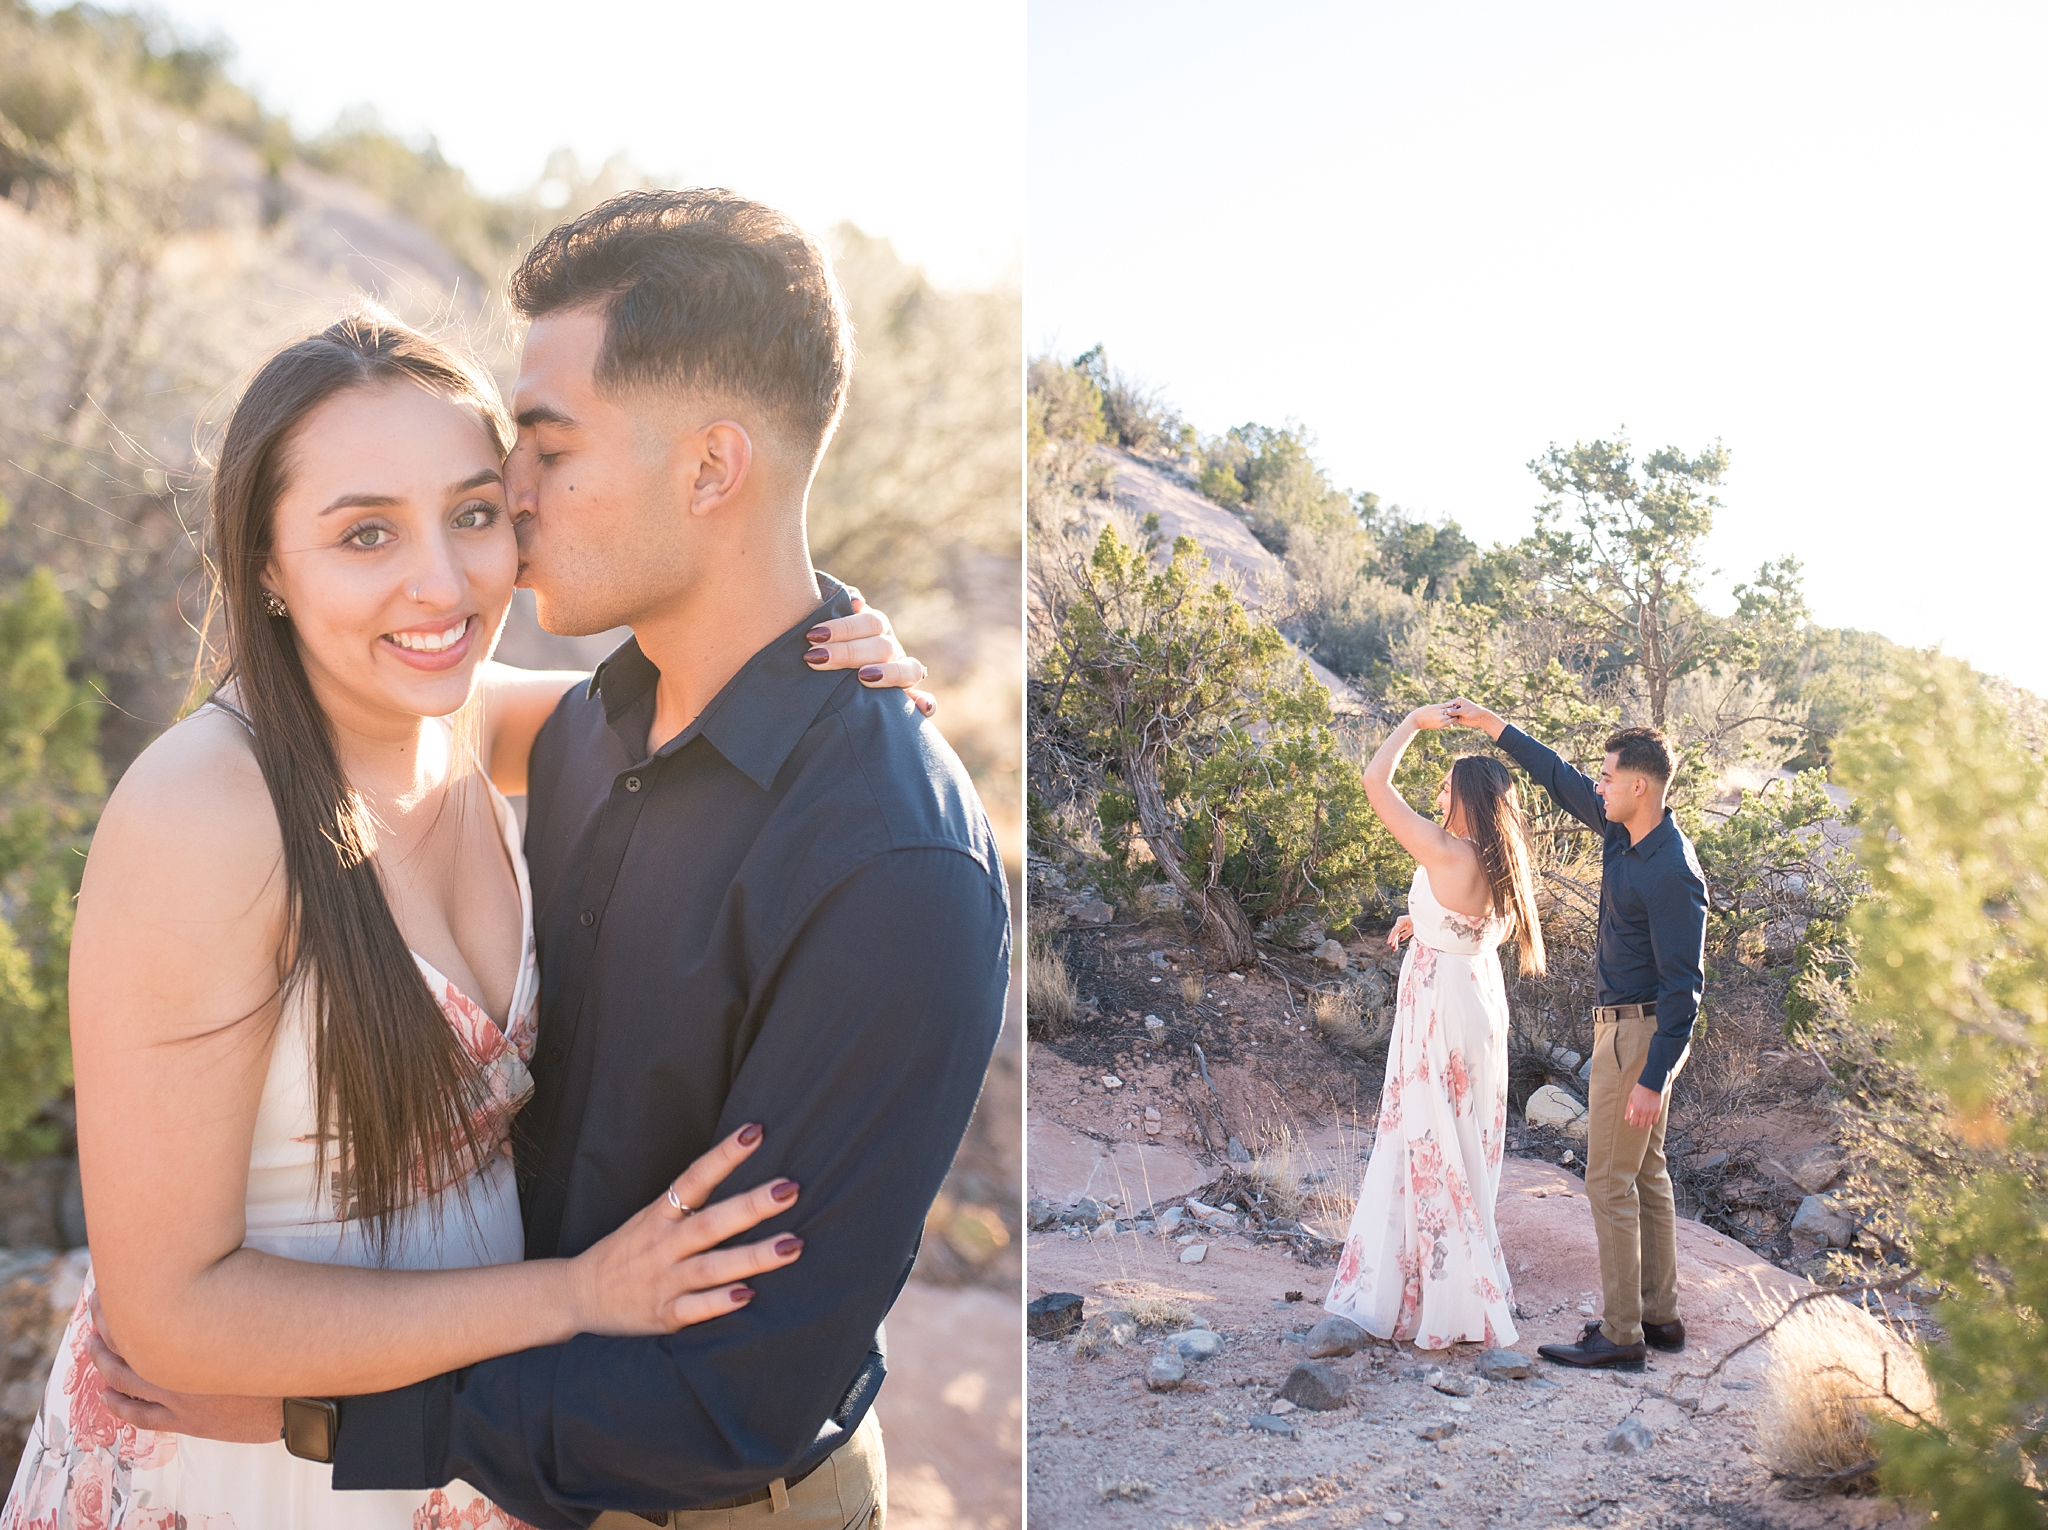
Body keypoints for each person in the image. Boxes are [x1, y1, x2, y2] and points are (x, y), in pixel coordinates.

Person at [69, 190, 1011, 1529]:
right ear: (266, 562)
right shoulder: (574, 729)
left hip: (618, 1484)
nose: (499, 519)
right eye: (362, 529)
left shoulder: (887, 861)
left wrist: (332, 1423)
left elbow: (722, 1403)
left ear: (710, 468)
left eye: (527, 463)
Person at [1442, 699, 1708, 1372]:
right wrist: (1493, 725)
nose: (1600, 785)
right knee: (1645, 1174)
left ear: (1640, 786)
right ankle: (1660, 1316)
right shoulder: (1624, 834)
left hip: (1640, 1036)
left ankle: (1622, 1336)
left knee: (1607, 1183)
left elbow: (1686, 989)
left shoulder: (1674, 870)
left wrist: (1655, 1076)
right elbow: (1557, 777)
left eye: (1609, 776)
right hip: (1622, 1030)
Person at [1324, 703, 1547, 1351]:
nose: (1438, 795)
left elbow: (1373, 783)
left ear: (1468, 798)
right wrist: (1416, 923)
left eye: (1446, 787)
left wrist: (1414, 725)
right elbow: (1466, 928)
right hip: (1475, 1002)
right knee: (1460, 1144)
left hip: (1439, 1011)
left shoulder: (1446, 850)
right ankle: (1450, 1287)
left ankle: (1432, 1300)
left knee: (1425, 1142)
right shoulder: (1498, 863)